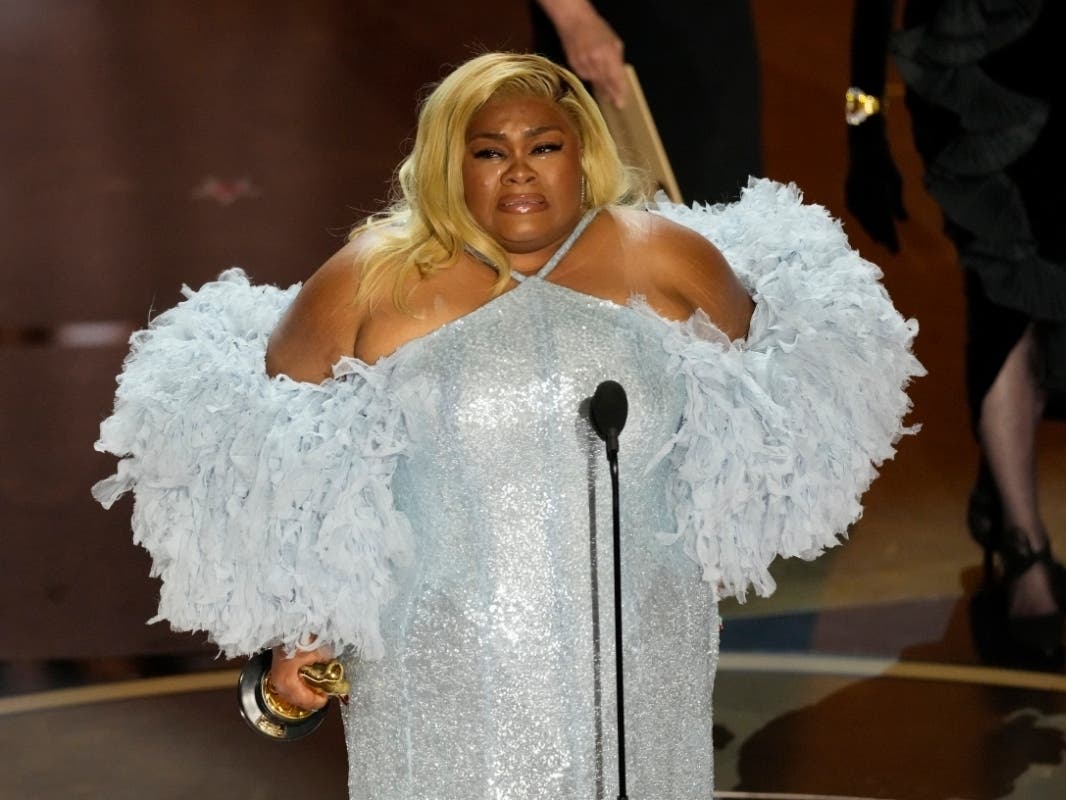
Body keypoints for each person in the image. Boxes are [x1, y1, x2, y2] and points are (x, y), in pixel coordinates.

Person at [94, 53, 921, 798]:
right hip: (441, 672)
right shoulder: (366, 283)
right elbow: (272, 465)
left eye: (545, 146)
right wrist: (293, 643)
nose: (518, 172)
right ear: (448, 162)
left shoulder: (669, 259)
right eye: (489, 150)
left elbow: (773, 410)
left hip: (640, 663)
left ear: (584, 151)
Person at [846, 0, 1066, 668]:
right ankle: (1025, 553)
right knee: (1001, 293)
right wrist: (863, 120)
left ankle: (1002, 489)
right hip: (967, 67)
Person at [530, 0, 762, 205]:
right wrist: (575, 17)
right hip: (616, 29)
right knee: (609, 200)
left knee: (728, 188)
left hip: (710, 25)